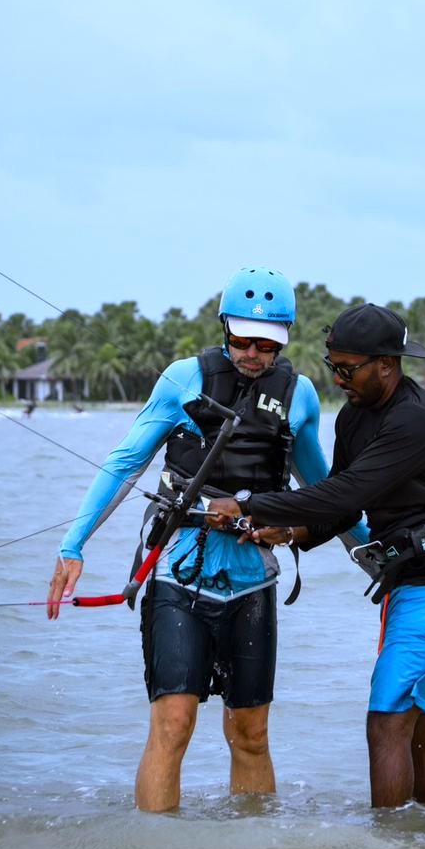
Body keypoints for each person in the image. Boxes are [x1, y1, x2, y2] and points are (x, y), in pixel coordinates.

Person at [46, 267, 329, 811]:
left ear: (284, 339)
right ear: (225, 328)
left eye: (265, 343)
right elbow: (126, 462)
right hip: (179, 571)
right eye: (242, 339)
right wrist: (73, 544)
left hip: (252, 580)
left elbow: (324, 490)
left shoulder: (300, 396)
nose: (251, 352)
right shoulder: (184, 378)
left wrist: (374, 557)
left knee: (251, 733)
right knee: (173, 724)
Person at [207, 303, 425, 808]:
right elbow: (342, 507)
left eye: (347, 368)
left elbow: (340, 494)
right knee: (419, 732)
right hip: (418, 590)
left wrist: (249, 502)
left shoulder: (415, 420)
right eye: (331, 366)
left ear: (386, 363)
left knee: (386, 726)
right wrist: (290, 532)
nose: (337, 379)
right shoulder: (357, 418)